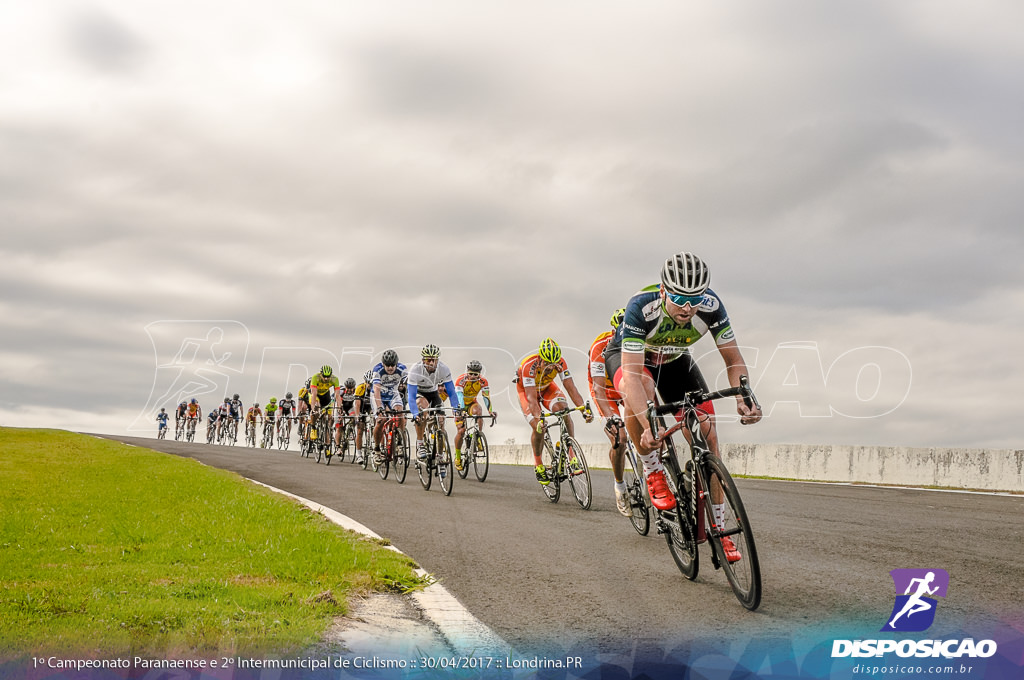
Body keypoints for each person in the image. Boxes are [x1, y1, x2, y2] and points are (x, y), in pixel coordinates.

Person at [607, 251, 762, 562]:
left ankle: (719, 529)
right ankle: (653, 469)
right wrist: (649, 424)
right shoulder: (642, 307)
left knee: (709, 436)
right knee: (641, 391)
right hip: (637, 364)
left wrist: (744, 396)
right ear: (664, 291)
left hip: (676, 361)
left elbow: (734, 360)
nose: (688, 307)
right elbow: (635, 378)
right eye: (679, 297)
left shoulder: (712, 306)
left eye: (695, 298)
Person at [515, 337, 593, 486]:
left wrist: (583, 409)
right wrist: (538, 419)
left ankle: (571, 454)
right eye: (546, 364)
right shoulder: (528, 366)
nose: (550, 368)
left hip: (547, 389)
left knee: (564, 410)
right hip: (527, 393)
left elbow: (571, 388)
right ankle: (538, 464)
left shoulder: (561, 363)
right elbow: (531, 398)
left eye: (553, 364)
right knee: (538, 427)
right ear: (540, 359)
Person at [588, 308, 631, 516]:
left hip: (624, 385)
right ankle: (620, 486)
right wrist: (611, 418)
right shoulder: (599, 346)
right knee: (620, 438)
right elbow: (597, 387)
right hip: (604, 390)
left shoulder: (637, 338)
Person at [407, 344, 462, 463]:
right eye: (429, 360)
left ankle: (440, 456)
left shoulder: (444, 369)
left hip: (433, 393)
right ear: (423, 360)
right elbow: (411, 396)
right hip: (419, 393)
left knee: (441, 422)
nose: (432, 363)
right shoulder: (415, 370)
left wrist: (456, 409)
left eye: (434, 360)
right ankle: (420, 443)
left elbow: (452, 393)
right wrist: (416, 414)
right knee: (423, 411)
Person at [453, 359, 497, 471]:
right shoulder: (460, 380)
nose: (473, 376)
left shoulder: (483, 382)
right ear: (467, 372)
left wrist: (490, 411)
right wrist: (462, 410)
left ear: (479, 374)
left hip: (472, 404)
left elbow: (486, 397)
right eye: (471, 374)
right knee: (461, 431)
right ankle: (457, 457)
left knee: (478, 411)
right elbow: (459, 397)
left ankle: (477, 437)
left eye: (475, 374)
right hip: (459, 405)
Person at [371, 349, 408, 457]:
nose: (390, 368)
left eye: (393, 365)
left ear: (396, 364)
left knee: (400, 414)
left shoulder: (402, 368)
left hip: (392, 394)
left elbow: (409, 384)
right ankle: (377, 448)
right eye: (388, 365)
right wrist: (379, 408)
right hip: (378, 396)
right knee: (380, 420)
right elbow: (377, 389)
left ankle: (400, 443)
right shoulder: (378, 370)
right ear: (383, 364)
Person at [307, 366, 340, 441]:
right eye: (324, 376)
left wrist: (339, 407)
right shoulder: (316, 377)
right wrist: (313, 408)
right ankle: (313, 428)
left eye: (328, 377)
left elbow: (337, 395)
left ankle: (327, 445)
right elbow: (314, 394)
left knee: (329, 417)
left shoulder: (335, 379)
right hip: (315, 394)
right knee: (316, 408)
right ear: (321, 374)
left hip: (325, 395)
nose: (326, 379)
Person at [352, 370, 375, 464]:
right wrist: (357, 416)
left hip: (371, 405)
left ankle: (375, 444)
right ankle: (358, 454)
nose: (369, 385)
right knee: (360, 429)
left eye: (371, 383)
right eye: (368, 383)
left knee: (377, 420)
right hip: (361, 406)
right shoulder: (360, 388)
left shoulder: (376, 387)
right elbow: (357, 405)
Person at [334, 377, 358, 449]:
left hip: (349, 408)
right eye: (348, 388)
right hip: (340, 407)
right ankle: (338, 447)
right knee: (339, 427)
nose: (349, 390)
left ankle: (350, 431)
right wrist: (340, 412)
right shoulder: (341, 391)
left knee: (354, 416)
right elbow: (338, 402)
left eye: (351, 388)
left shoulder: (356, 391)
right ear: (345, 387)